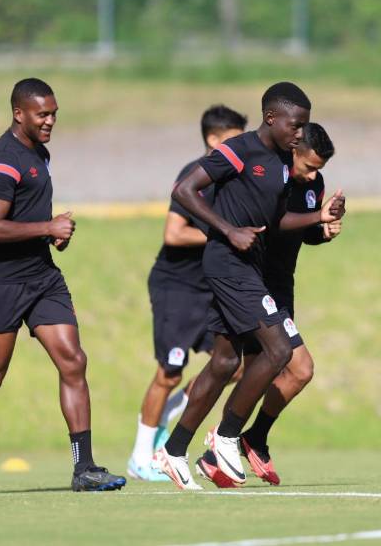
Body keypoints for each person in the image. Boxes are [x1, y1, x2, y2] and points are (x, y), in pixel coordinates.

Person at [0, 78, 125, 493]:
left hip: (42, 277)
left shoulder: (39, 153)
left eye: (53, 114)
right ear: (19, 114)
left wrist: (50, 236)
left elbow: (26, 217)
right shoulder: (2, 160)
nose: (50, 121)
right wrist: (47, 225)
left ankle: (84, 468)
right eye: (42, 114)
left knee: (73, 360)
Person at [156, 82, 345, 490]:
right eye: (296, 125)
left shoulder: (280, 164)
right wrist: (227, 230)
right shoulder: (239, 149)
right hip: (228, 263)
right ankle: (226, 437)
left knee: (224, 363)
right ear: (271, 118)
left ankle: (171, 452)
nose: (300, 133)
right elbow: (184, 190)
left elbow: (276, 225)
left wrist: (319, 219)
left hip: (249, 268)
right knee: (280, 351)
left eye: (305, 126)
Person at [196, 123, 339, 488]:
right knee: (298, 366)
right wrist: (316, 217)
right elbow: (272, 225)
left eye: (319, 169)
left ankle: (228, 446)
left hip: (279, 285)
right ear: (292, 149)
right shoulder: (273, 178)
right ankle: (234, 438)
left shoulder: (311, 184)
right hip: (253, 283)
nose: (313, 175)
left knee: (247, 368)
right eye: (308, 166)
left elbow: (302, 234)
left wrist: (323, 229)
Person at [128, 105, 248, 482]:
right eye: (234, 139)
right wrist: (224, 233)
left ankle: (171, 413)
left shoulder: (236, 177)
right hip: (177, 289)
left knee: (236, 364)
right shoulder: (195, 175)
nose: (241, 146)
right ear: (214, 141)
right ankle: (140, 457)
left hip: (210, 289)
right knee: (169, 372)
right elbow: (173, 234)